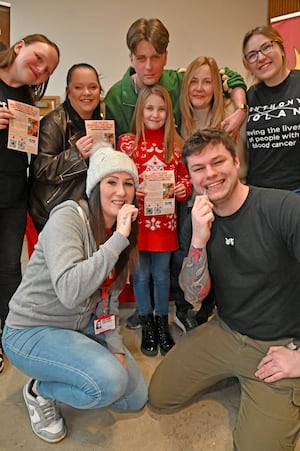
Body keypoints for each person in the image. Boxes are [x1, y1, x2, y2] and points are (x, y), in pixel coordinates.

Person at [148, 128, 300, 451]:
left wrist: (299, 359)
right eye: (199, 169)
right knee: (160, 395)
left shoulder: (282, 208)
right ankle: (240, 373)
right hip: (227, 329)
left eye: (218, 162)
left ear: (236, 161)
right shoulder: (198, 220)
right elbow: (193, 296)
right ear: (190, 177)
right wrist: (199, 241)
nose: (210, 174)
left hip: (281, 342)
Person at [106, 17, 248, 329]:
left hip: (177, 201)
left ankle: (181, 312)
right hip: (143, 210)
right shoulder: (116, 96)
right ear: (130, 59)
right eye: (141, 58)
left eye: (155, 57)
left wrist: (240, 108)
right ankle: (152, 315)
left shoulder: (177, 79)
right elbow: (119, 159)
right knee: (148, 267)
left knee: (181, 257)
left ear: (166, 57)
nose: (148, 66)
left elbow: (230, 75)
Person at [2, 145, 148, 443]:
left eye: (128, 183)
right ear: (95, 186)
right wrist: (117, 240)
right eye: (111, 182)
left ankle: (74, 367)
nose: (121, 191)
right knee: (109, 382)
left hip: (77, 326)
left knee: (133, 397)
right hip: (30, 331)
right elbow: (70, 291)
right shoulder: (69, 217)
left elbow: (108, 300)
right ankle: (39, 391)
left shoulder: (121, 232)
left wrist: (116, 348)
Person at [172, 55, 248, 333]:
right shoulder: (179, 117)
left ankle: (209, 313)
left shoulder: (231, 115)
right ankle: (184, 311)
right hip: (189, 204)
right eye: (194, 81)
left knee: (220, 261)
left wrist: (240, 105)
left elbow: (239, 163)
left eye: (207, 81)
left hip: (225, 205)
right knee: (186, 257)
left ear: (218, 85)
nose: (200, 88)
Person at [118, 84, 192, 357]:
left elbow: (185, 177)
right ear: (140, 110)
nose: (155, 114)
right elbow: (119, 178)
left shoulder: (175, 144)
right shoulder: (127, 143)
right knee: (141, 274)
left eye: (161, 109)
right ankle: (146, 321)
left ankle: (163, 322)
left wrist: (184, 188)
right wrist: (130, 189)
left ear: (169, 113)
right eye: (150, 108)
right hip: (138, 222)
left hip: (165, 223)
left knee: (161, 275)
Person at [0, 33, 59, 373]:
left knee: (9, 267)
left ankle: (14, 333)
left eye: (46, 70)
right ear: (19, 45)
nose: (39, 70)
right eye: (38, 59)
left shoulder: (25, 97)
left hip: (12, 191)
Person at [29, 63, 104, 232]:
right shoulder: (53, 123)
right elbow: (41, 169)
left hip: (90, 212)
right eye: (78, 87)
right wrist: (76, 156)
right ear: (68, 90)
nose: (86, 93)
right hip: (54, 212)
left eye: (93, 87)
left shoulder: (103, 121)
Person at [243, 25, 300, 192]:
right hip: (258, 192)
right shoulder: (250, 95)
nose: (261, 58)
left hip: (295, 190)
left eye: (266, 47)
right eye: (252, 55)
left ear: (281, 49)